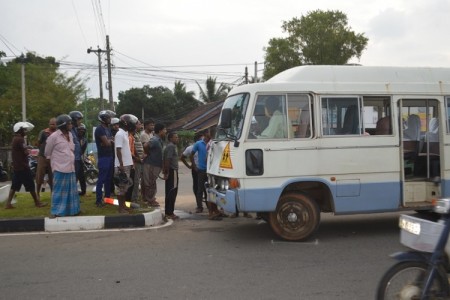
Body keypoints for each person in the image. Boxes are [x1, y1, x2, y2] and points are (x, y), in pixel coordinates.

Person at [4, 122, 47, 209]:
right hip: (22, 166)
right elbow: (25, 151)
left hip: (17, 166)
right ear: (19, 130)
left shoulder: (15, 138)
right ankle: (37, 202)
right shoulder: (20, 139)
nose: (25, 131)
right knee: (30, 184)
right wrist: (29, 151)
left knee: (15, 185)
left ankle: (8, 204)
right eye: (24, 130)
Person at [45, 114, 80, 217]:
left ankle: (73, 210)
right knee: (59, 192)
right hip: (59, 168)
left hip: (71, 168)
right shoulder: (53, 137)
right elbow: (47, 152)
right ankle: (57, 211)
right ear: (63, 125)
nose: (71, 125)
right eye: (69, 123)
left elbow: (72, 150)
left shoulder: (71, 135)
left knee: (71, 192)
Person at [190, 130, 222, 220]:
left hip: (212, 171)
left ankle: (213, 210)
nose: (209, 135)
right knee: (201, 189)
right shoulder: (199, 144)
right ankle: (200, 207)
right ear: (204, 135)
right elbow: (192, 155)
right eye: (208, 133)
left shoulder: (213, 143)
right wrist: (194, 166)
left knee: (212, 190)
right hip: (202, 170)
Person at [114, 114, 137, 213]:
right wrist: (121, 164)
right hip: (121, 165)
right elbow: (118, 150)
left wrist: (130, 163)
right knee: (121, 187)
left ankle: (123, 206)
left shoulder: (125, 133)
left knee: (125, 187)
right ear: (126, 123)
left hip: (127, 164)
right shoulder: (119, 134)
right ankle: (120, 208)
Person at [94, 110, 115, 207]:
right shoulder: (100, 129)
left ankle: (107, 198)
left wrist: (109, 141)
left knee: (109, 179)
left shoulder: (108, 129)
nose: (110, 119)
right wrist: (109, 141)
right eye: (108, 118)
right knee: (101, 179)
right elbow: (107, 143)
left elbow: (110, 141)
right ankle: (98, 200)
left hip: (110, 156)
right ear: (103, 119)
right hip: (103, 157)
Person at [142, 123, 166, 207]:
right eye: (164, 130)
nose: (165, 131)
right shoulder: (155, 140)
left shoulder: (159, 140)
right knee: (149, 182)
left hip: (156, 164)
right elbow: (145, 145)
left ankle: (151, 198)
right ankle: (150, 200)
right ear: (160, 131)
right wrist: (148, 153)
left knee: (152, 182)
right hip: (150, 164)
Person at [35, 117, 57, 200]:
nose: (52, 125)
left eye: (53, 124)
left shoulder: (58, 133)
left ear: (57, 125)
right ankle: (37, 194)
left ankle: (53, 194)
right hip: (43, 156)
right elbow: (39, 143)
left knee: (52, 177)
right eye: (50, 124)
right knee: (40, 175)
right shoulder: (44, 132)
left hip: (53, 157)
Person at [180, 132, 205, 202]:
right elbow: (182, 157)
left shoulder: (206, 146)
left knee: (205, 187)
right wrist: (189, 166)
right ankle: (199, 204)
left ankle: (208, 205)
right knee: (197, 186)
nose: (203, 140)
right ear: (197, 140)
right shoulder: (190, 148)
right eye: (202, 139)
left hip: (205, 169)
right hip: (196, 169)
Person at [69, 111, 86, 196]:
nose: (80, 122)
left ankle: (76, 194)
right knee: (74, 178)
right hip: (73, 159)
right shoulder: (70, 131)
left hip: (78, 158)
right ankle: (72, 196)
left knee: (79, 177)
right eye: (78, 120)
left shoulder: (75, 130)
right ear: (74, 120)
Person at [163, 131, 179, 220]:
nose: (177, 139)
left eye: (177, 137)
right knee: (172, 191)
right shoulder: (171, 146)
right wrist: (167, 171)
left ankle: (169, 211)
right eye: (175, 137)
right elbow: (167, 159)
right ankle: (169, 212)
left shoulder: (171, 146)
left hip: (173, 171)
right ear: (170, 138)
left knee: (171, 191)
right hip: (172, 171)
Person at [131, 119, 144, 202]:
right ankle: (133, 199)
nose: (141, 126)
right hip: (136, 160)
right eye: (139, 124)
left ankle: (135, 197)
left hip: (139, 159)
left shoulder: (137, 134)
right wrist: (137, 158)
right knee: (135, 180)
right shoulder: (132, 135)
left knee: (137, 180)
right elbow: (132, 148)